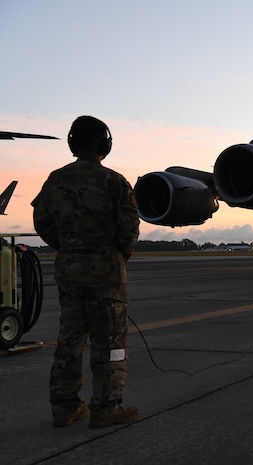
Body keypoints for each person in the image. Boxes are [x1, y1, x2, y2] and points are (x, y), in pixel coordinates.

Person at [32, 115, 140, 428]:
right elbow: (129, 227)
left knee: (69, 340)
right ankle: (107, 407)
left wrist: (69, 246)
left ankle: (65, 407)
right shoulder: (113, 181)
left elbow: (42, 222)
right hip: (106, 272)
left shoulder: (55, 180)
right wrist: (116, 255)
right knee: (111, 344)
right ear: (103, 143)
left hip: (69, 270)